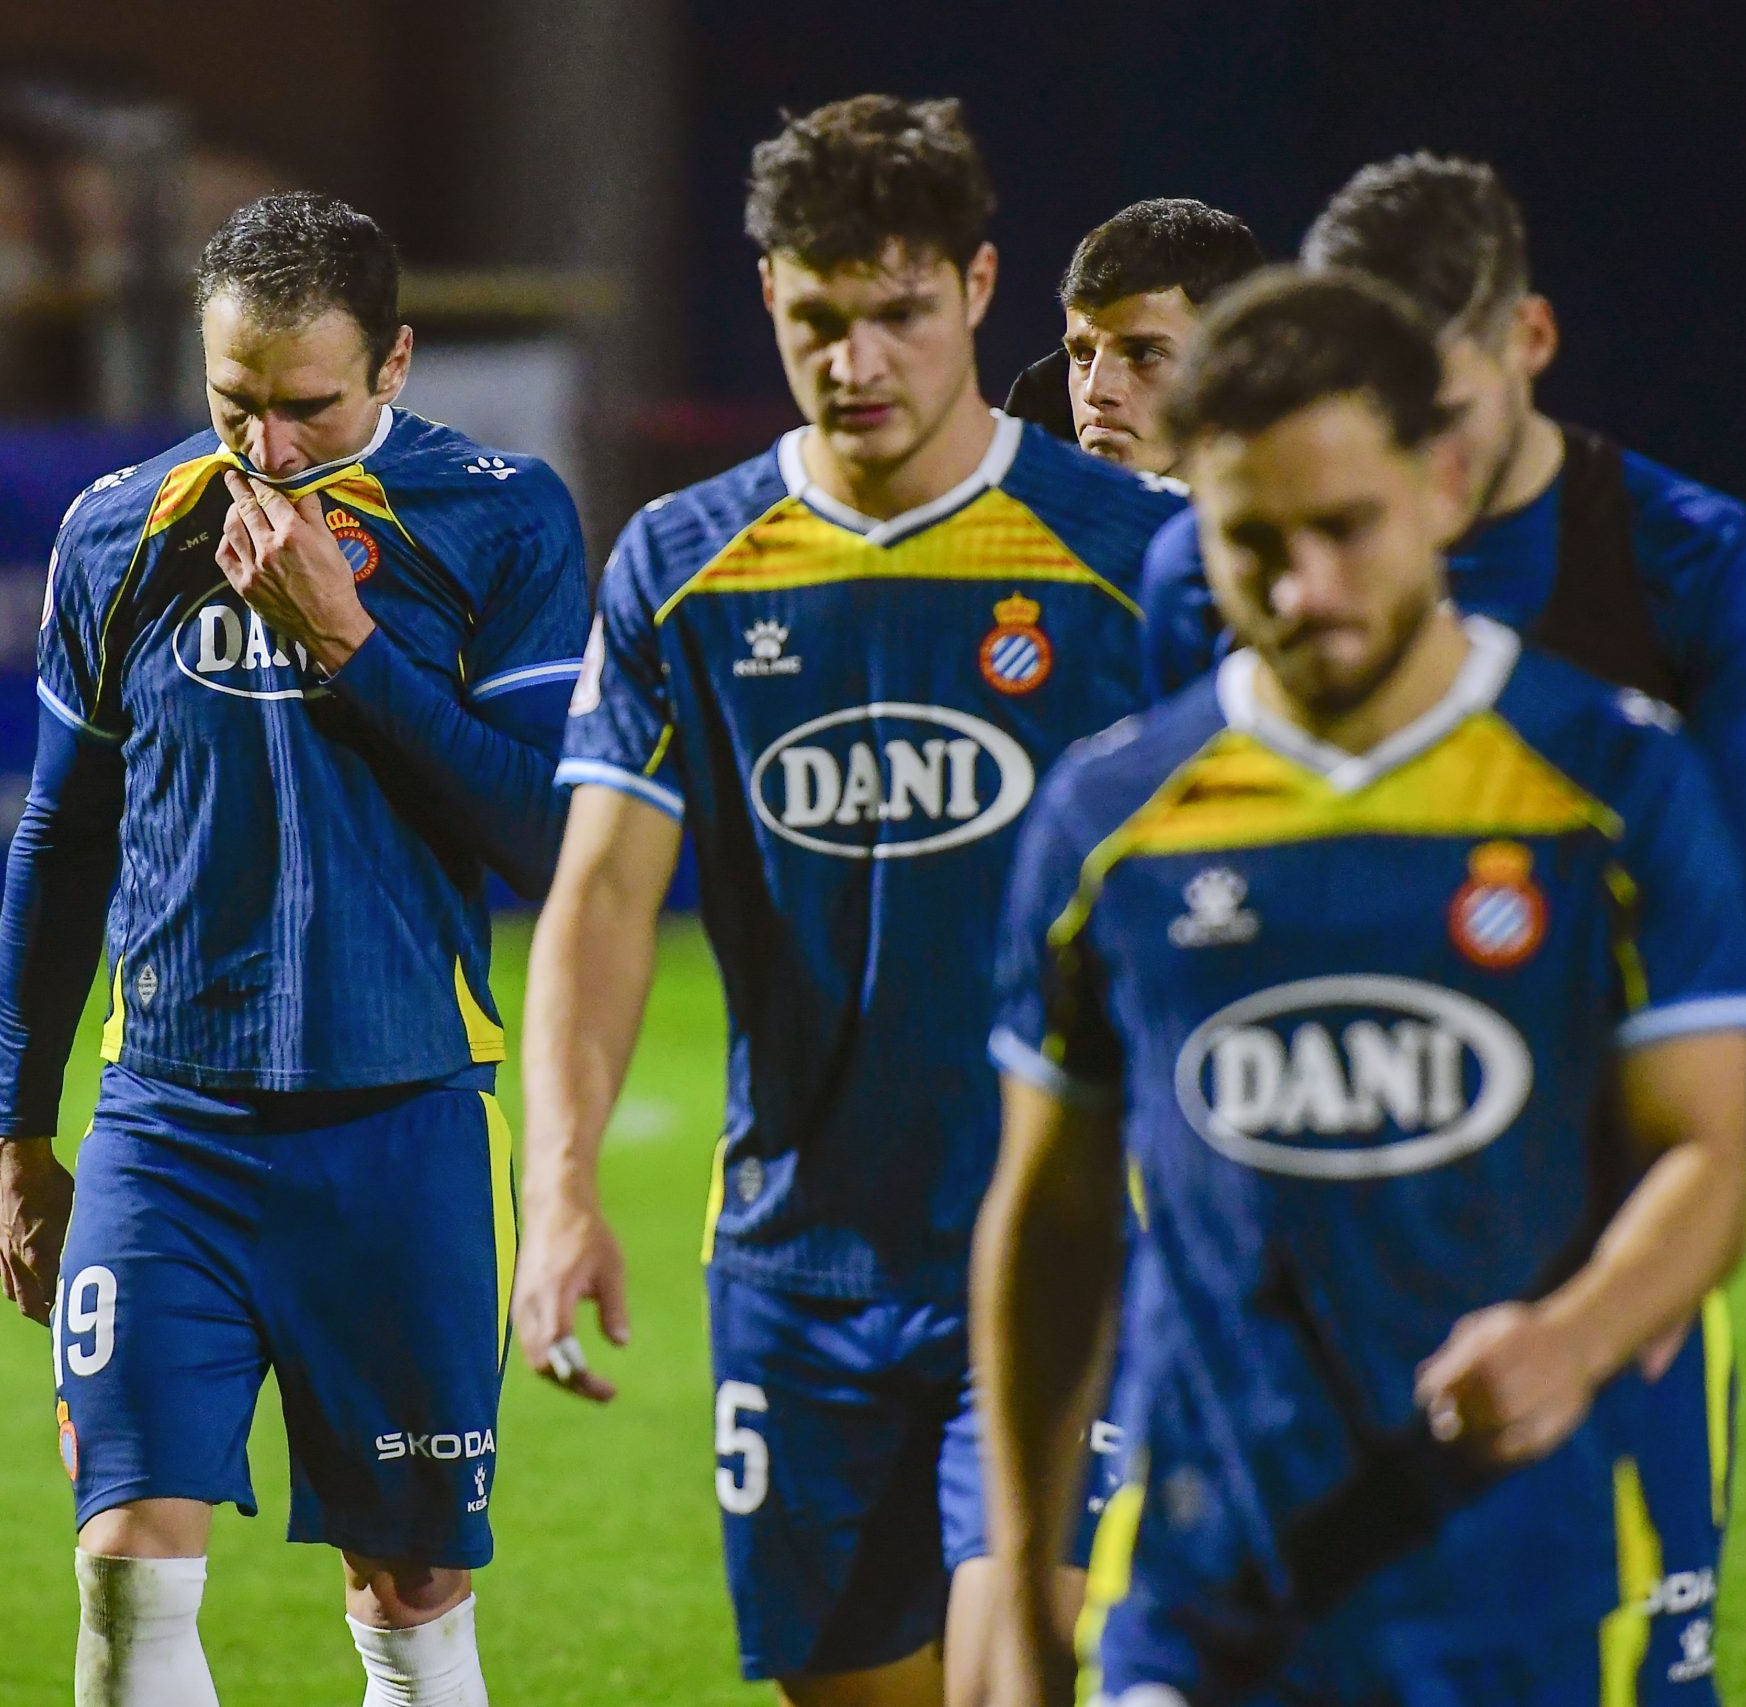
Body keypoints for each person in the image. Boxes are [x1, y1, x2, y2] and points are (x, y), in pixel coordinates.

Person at [980, 267, 1746, 1707]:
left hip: (1508, 1590)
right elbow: (1048, 1220)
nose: (1305, 589)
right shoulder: (1109, 819)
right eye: (1250, 543)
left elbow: (1705, 1154)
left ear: (1445, 484)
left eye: (1345, 528)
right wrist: (1032, 1601)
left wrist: (1576, 1335)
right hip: (1196, 1587)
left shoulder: (1611, 780)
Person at [511, 95, 1181, 1707]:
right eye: (820, 319)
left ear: (976, 287)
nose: (858, 361)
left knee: (1017, 1658)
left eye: (898, 314)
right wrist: (560, 1181)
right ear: (769, 300)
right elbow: (601, 892)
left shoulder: (1137, 558)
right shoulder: (683, 562)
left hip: (1065, 1240)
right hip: (800, 1262)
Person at [0, 191, 588, 1707]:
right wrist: (16, 1124)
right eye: (232, 402)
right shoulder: (122, 529)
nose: (267, 450)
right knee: (130, 1568)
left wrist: (347, 644)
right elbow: (59, 844)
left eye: (308, 407)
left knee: (414, 1594)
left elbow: (546, 840)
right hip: (170, 1126)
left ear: (395, 361)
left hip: (402, 1119)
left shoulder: (502, 519)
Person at [1000, 198, 1264, 475]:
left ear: (1234, 368)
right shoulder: (1018, 501)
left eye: (1143, 354)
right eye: (1082, 355)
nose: (1095, 391)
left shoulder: (1301, 505)